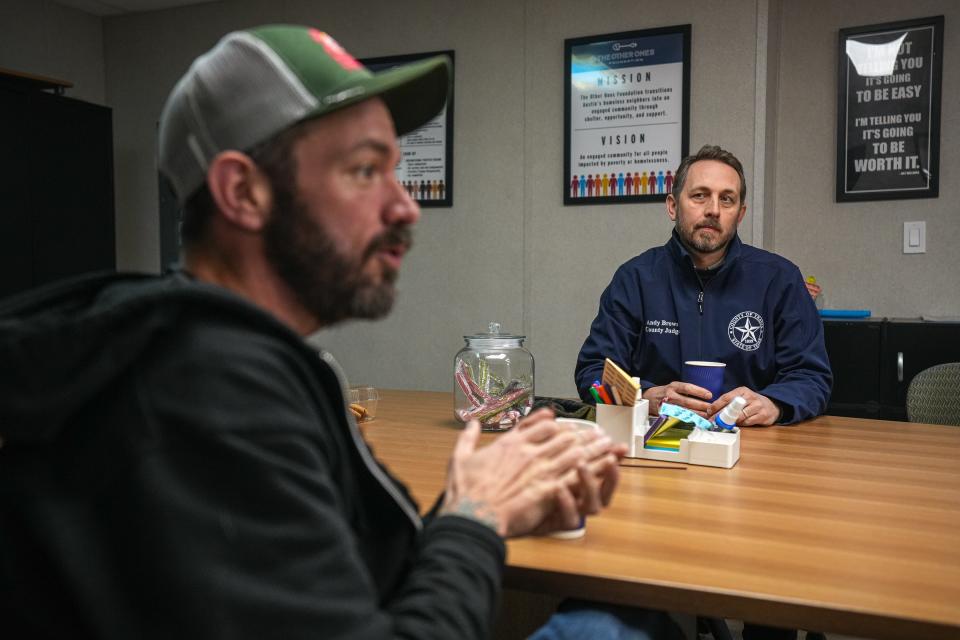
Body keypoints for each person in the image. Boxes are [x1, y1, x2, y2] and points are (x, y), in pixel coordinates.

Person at [0, 25, 642, 640]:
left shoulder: (222, 357)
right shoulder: (208, 397)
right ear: (244, 193)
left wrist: (479, 507)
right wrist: (478, 517)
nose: (404, 205)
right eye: (365, 171)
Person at [575, 144, 832, 639]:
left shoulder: (778, 278)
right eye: (700, 195)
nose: (713, 209)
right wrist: (646, 395)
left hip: (762, 473)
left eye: (727, 199)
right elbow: (590, 373)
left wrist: (776, 402)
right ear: (673, 205)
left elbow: (814, 376)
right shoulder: (636, 279)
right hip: (660, 471)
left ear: (741, 211)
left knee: (771, 593)